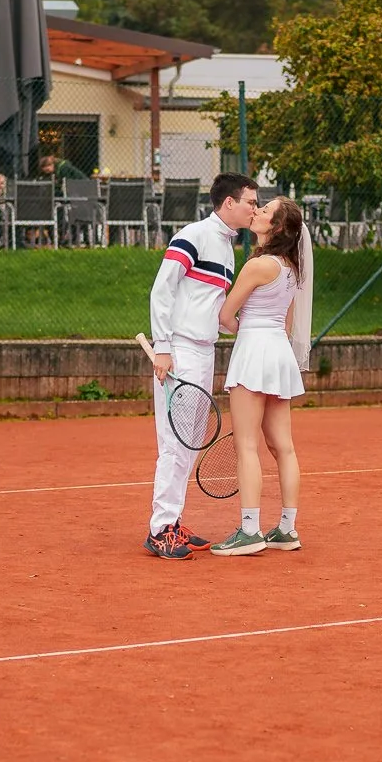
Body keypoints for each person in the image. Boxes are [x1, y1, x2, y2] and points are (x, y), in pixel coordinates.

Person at [144, 172, 259, 560]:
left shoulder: (227, 247)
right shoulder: (193, 234)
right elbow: (163, 289)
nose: (254, 209)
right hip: (180, 351)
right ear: (229, 203)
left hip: (203, 351)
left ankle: (172, 522)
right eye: (250, 202)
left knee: (188, 443)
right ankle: (160, 530)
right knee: (174, 445)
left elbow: (211, 307)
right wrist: (163, 347)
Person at [211, 197, 310, 556]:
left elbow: (225, 316)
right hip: (279, 354)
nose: (257, 212)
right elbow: (286, 322)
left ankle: (249, 531)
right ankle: (287, 529)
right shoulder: (291, 268)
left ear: (278, 228)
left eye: (265, 211)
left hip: (255, 353)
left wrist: (243, 330)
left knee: (247, 445)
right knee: (282, 446)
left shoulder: (257, 266)